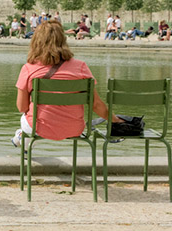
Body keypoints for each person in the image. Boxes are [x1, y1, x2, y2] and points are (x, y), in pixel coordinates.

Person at [11, 20, 119, 148]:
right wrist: (117, 121)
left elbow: (22, 108)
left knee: (29, 120)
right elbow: (96, 105)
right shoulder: (81, 67)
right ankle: (23, 138)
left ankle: (22, 137)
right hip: (74, 129)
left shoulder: (29, 68)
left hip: (39, 128)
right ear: (63, 40)